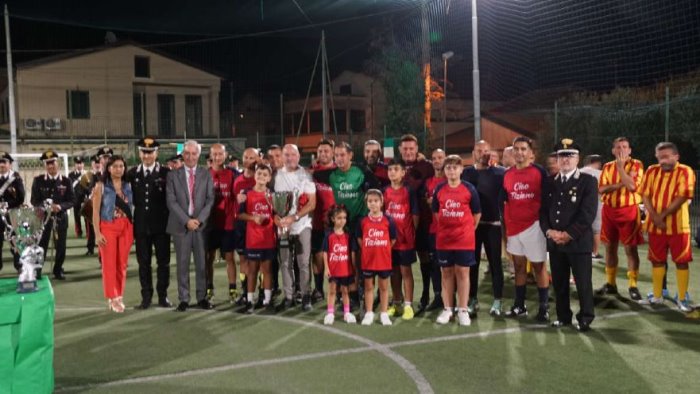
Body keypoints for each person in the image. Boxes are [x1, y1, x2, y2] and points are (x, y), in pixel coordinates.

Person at [541, 138, 598, 332]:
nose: (566, 160)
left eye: (570, 156)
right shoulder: (549, 182)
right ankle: (563, 316)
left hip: (578, 243)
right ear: (556, 159)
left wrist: (568, 234)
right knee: (559, 283)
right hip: (555, 243)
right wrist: (549, 232)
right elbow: (543, 211)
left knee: (583, 283)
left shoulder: (587, 181)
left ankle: (585, 318)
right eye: (562, 156)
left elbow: (588, 213)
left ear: (578, 159)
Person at [639, 142, 695, 314]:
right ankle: (657, 295)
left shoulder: (685, 171)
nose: (663, 160)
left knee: (682, 261)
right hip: (656, 227)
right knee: (657, 260)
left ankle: (682, 297)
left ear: (676, 156)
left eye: (666, 157)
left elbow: (681, 197)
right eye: (660, 157)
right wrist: (655, 217)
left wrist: (660, 216)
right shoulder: (651, 171)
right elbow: (645, 195)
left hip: (679, 226)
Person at [502, 137, 550, 321]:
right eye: (516, 149)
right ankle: (519, 305)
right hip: (514, 228)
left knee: (539, 267)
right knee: (519, 267)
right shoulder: (507, 174)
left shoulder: (539, 172)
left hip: (534, 227)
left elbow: (546, 200)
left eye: (523, 149)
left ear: (531, 153)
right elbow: (506, 201)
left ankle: (543, 307)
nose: (519, 152)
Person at [327, 141, 379, 305]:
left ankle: (358, 291)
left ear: (350, 155)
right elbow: (315, 174)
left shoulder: (361, 171)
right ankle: (345, 292)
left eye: (343, 155)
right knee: (343, 258)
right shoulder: (332, 174)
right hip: (341, 224)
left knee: (357, 259)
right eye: (336, 155)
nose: (339, 158)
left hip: (359, 222)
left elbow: (376, 186)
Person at [432, 155, 481, 326]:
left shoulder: (469, 189)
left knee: (463, 273)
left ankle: (462, 310)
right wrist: (448, 228)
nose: (451, 171)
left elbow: (477, 214)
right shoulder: (439, 189)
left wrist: (465, 230)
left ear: (461, 169)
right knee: (446, 273)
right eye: (448, 168)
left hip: (464, 240)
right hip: (444, 240)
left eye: (455, 167)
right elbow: (436, 213)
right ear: (444, 171)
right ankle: (447, 309)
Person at [166, 140, 215, 312]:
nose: (190, 157)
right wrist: (187, 220)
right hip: (181, 226)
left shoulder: (206, 174)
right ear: (183, 154)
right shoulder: (173, 175)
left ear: (198, 155)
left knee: (202, 264)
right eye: (187, 153)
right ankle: (184, 299)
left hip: (200, 227)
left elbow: (210, 200)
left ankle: (202, 297)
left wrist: (199, 220)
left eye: (194, 154)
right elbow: (171, 202)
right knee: (182, 264)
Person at [596, 137, 644, 300]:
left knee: (630, 249)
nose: (621, 150)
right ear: (613, 151)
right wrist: (621, 182)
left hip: (628, 211)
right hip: (609, 211)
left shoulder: (637, 164)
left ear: (630, 150)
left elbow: (632, 186)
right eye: (618, 147)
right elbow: (601, 189)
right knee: (609, 248)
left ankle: (633, 285)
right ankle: (611, 283)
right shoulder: (607, 167)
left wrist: (621, 168)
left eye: (624, 147)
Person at [461, 140, 506, 317]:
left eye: (486, 150)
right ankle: (472, 299)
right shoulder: (465, 173)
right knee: (472, 264)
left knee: (495, 264)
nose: (482, 153)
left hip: (493, 225)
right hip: (471, 227)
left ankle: (498, 300)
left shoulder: (500, 173)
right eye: (479, 150)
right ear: (473, 153)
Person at [127, 137, 172, 309]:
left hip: (161, 227)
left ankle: (163, 296)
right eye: (144, 152)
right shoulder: (132, 174)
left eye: (150, 152)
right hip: (141, 227)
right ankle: (146, 297)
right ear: (139, 153)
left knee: (163, 263)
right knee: (143, 263)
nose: (147, 156)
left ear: (156, 153)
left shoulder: (166, 173)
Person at [273, 144, 317, 311]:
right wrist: (276, 217)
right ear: (282, 157)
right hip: (283, 227)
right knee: (285, 262)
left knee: (303, 262)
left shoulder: (306, 175)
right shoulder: (275, 176)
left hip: (301, 225)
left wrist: (294, 217)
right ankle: (289, 296)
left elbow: (312, 203)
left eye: (293, 155)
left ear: (298, 157)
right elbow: (270, 200)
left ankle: (306, 295)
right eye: (286, 155)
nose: (289, 158)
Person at [92, 155, 134, 313]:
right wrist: (97, 233)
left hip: (126, 227)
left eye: (121, 166)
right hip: (108, 226)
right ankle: (112, 297)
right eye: (115, 166)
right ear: (108, 168)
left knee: (122, 264)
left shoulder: (128, 186)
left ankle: (119, 294)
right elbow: (95, 212)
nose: (119, 169)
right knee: (109, 264)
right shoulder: (101, 186)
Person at [398, 134, 435, 309]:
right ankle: (398, 297)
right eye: (405, 148)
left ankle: (427, 293)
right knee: (399, 261)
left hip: (424, 220)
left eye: (411, 148)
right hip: (400, 223)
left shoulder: (426, 166)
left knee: (425, 257)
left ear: (417, 149)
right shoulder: (394, 167)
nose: (408, 152)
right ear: (400, 150)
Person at [383, 159, 419, 320]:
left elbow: (415, 215)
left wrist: (410, 232)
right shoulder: (384, 191)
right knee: (394, 273)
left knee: (406, 272)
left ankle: (408, 305)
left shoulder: (409, 191)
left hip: (405, 239)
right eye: (390, 169)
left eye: (396, 169)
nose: (392, 172)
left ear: (403, 172)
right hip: (390, 241)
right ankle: (396, 303)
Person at [238, 163, 276, 313]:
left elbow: (278, 213)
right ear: (255, 175)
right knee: (252, 270)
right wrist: (253, 218)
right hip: (253, 239)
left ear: (269, 178)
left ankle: (267, 301)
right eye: (259, 174)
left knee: (267, 270)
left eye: (265, 175)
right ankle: (249, 300)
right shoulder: (246, 193)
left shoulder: (272, 194)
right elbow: (240, 215)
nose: (261, 177)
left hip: (268, 239)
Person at [32, 149, 74, 280]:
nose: (50, 166)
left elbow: (72, 200)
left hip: (60, 218)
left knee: (61, 246)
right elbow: (34, 200)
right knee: (41, 245)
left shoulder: (66, 181)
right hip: (43, 219)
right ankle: (37, 270)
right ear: (45, 165)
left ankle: (58, 270)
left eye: (53, 162)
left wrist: (60, 206)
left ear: (58, 163)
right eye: (48, 163)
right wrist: (44, 207)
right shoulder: (38, 181)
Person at [356, 189, 397, 326]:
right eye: (370, 201)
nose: (373, 204)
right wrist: (369, 249)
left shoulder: (388, 221)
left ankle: (384, 313)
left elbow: (392, 240)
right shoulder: (362, 221)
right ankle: (369, 312)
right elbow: (360, 239)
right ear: (366, 203)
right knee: (368, 287)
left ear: (381, 202)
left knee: (384, 287)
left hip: (383, 260)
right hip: (368, 261)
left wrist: (382, 249)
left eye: (376, 201)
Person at [205, 144, 237, 302]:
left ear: (226, 155)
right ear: (211, 156)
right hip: (210, 224)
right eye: (215, 154)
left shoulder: (233, 174)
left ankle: (232, 289)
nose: (217, 157)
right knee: (208, 258)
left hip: (228, 223)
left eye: (220, 154)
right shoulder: (204, 175)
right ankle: (209, 288)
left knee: (229, 257)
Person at [232, 148, 260, 304]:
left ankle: (262, 292)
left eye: (252, 157)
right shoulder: (237, 180)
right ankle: (245, 292)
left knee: (260, 261)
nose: (248, 160)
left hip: (257, 225)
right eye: (246, 157)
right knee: (243, 259)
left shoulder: (261, 177)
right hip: (242, 224)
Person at [310, 139, 337, 302]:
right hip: (316, 222)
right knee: (317, 256)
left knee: (337, 255)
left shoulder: (338, 171)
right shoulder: (311, 172)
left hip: (336, 222)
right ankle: (319, 289)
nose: (323, 154)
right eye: (320, 151)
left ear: (333, 153)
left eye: (326, 151)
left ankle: (340, 290)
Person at [322, 205, 357, 325]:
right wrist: (326, 267)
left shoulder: (348, 235)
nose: (342, 221)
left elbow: (351, 253)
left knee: (345, 291)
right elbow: (325, 252)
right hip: (333, 269)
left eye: (344, 218)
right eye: (339, 218)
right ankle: (330, 313)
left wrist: (353, 268)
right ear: (333, 219)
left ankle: (347, 313)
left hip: (345, 269)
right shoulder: (328, 235)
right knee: (332, 291)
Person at [422, 148, 446, 311]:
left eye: (440, 158)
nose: (437, 161)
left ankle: (449, 297)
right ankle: (438, 296)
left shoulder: (450, 179)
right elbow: (425, 201)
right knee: (434, 265)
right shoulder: (428, 182)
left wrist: (435, 202)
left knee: (448, 266)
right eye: (434, 158)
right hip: (432, 229)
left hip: (447, 231)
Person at [0, 152, 25, 272]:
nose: (1, 165)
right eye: (0, 162)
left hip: (12, 214)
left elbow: (21, 197)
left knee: (15, 240)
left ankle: (19, 264)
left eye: (4, 162)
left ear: (10, 164)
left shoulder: (16, 178)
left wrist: (7, 205)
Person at [76, 155, 102, 257]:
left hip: (103, 206)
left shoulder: (106, 174)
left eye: (98, 162)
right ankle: (90, 248)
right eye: (95, 163)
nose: (97, 164)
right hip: (92, 204)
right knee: (91, 228)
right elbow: (82, 190)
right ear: (91, 164)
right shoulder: (87, 175)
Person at [579, 154, 604, 260]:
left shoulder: (578, 171)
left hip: (579, 205)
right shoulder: (601, 174)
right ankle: (595, 252)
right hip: (596, 204)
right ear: (597, 163)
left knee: (579, 228)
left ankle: (581, 250)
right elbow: (603, 190)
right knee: (596, 230)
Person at [69, 156, 85, 237]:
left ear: (83, 164)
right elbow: (70, 186)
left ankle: (90, 234)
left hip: (85, 199)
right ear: (75, 165)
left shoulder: (87, 174)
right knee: (76, 216)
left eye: (80, 163)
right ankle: (78, 232)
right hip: (76, 199)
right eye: (77, 163)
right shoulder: (71, 175)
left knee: (87, 217)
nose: (79, 165)